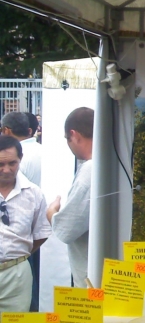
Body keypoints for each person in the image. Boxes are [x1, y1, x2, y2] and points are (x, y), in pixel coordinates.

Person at [0, 135, 52, 312]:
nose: (6, 170)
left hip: (17, 275)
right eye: (0, 164)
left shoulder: (33, 193)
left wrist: (20, 252)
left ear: (20, 159)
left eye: (12, 163)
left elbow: (41, 233)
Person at [47, 107, 93, 288]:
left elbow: (68, 228)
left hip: (91, 275)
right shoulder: (113, 161)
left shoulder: (90, 170)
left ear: (74, 135)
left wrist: (52, 213)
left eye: (67, 139)